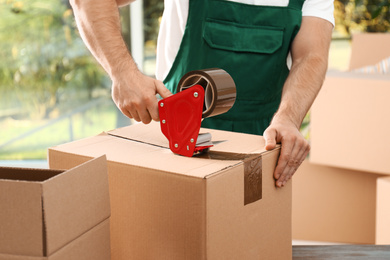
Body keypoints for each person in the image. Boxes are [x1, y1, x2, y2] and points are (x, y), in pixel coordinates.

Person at [70, 0, 334, 188]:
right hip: (173, 146)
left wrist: (288, 118)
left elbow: (311, 56)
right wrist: (123, 73)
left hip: (260, 152)